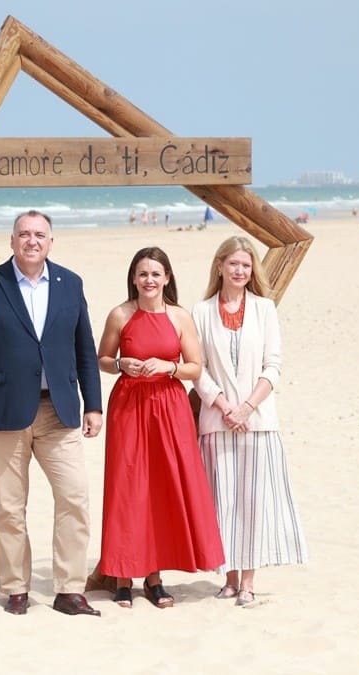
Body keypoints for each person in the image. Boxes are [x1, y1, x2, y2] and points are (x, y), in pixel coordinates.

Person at [0, 210, 104, 617]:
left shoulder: (70, 284)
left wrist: (93, 404)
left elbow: (84, 350)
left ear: (51, 242)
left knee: (75, 497)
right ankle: (16, 588)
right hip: (2, 412)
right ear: (12, 240)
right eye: (24, 234)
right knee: (8, 507)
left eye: (40, 234)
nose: (32, 241)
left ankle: (70, 589)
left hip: (59, 412)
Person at [97, 247, 224, 609]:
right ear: (133, 278)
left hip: (169, 407)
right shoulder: (120, 314)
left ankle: (153, 577)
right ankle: (122, 576)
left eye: (156, 273)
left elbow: (195, 367)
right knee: (126, 486)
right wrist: (123, 363)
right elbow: (102, 359)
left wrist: (167, 368)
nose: (149, 280)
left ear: (167, 277)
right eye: (142, 274)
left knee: (161, 487)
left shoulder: (180, 316)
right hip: (129, 405)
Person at [191, 236, 308, 607]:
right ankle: (228, 577)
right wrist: (225, 406)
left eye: (246, 265)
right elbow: (199, 370)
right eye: (233, 264)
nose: (239, 271)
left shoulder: (264, 308)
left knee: (253, 503)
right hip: (216, 420)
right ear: (220, 266)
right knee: (222, 501)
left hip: (258, 422)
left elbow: (273, 365)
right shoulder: (201, 311)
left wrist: (246, 407)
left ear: (251, 269)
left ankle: (248, 582)